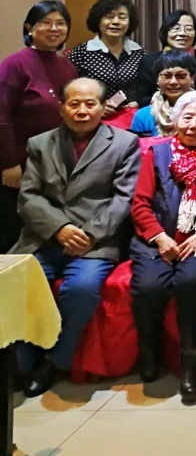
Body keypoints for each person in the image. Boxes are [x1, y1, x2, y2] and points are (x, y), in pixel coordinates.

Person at [10, 78, 139, 397]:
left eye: (90, 104)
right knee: (17, 285)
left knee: (81, 289)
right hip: (44, 237)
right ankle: (23, 362)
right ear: (61, 108)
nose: (82, 111)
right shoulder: (40, 143)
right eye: (74, 104)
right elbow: (28, 196)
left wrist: (89, 233)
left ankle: (54, 360)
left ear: (103, 107)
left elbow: (124, 199)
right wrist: (59, 228)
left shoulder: (124, 143)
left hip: (94, 241)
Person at [129, 89, 196, 404]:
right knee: (149, 286)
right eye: (187, 117)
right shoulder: (156, 154)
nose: (193, 125)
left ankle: (191, 362)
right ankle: (149, 350)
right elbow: (140, 203)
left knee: (191, 282)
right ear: (175, 120)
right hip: (156, 239)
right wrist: (159, 236)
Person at [0, 1, 77, 251]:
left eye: (61, 23)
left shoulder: (67, 66)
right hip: (17, 165)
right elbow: (2, 115)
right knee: (11, 232)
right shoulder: (14, 64)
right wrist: (9, 163)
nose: (54, 29)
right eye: (46, 22)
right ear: (29, 28)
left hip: (54, 163)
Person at [65, 0, 146, 116]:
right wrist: (96, 105)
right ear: (98, 21)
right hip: (92, 117)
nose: (116, 22)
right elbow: (68, 89)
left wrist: (139, 101)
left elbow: (148, 87)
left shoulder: (140, 53)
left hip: (131, 117)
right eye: (109, 17)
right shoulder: (81, 53)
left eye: (122, 18)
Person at [134, 9, 196, 100]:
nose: (182, 33)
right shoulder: (149, 61)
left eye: (188, 29)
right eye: (176, 28)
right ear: (165, 32)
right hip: (157, 107)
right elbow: (143, 97)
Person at [130, 51, 196, 138]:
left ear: (192, 78)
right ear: (157, 80)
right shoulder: (143, 116)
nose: (173, 82)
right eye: (166, 76)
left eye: (181, 76)